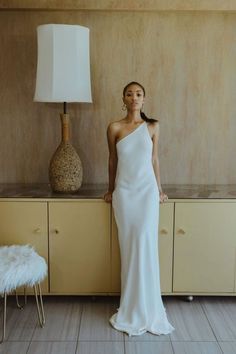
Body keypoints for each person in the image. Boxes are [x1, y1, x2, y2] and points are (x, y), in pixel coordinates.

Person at [103, 81, 175, 336]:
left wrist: (159, 189)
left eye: (139, 94)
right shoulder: (114, 127)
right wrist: (111, 190)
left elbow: (154, 159)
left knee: (146, 244)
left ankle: (149, 308)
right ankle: (131, 307)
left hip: (146, 194)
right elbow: (112, 160)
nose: (134, 98)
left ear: (144, 99)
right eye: (130, 94)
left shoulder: (153, 126)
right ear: (123, 98)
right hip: (124, 194)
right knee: (130, 247)